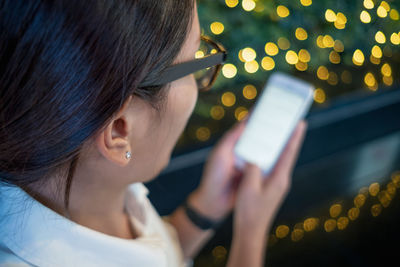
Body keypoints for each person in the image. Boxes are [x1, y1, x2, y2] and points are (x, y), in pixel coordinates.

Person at [0, 0, 307, 266]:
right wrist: (252, 231)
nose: (201, 81)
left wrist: (206, 207)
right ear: (120, 131)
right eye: (195, 63)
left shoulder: (89, 183)